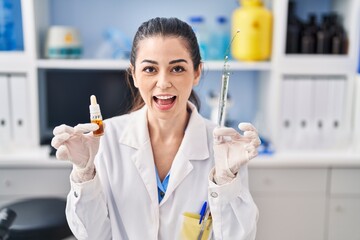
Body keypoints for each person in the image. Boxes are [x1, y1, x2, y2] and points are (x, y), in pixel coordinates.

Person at [51, 17, 260, 240]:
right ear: (133, 75)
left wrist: (226, 181)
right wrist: (84, 173)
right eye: (150, 69)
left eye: (177, 68)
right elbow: (93, 236)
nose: (163, 82)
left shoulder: (222, 148)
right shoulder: (106, 140)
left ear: (197, 73)